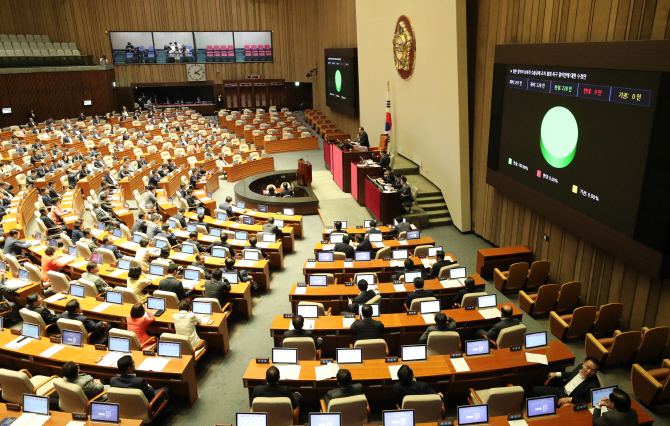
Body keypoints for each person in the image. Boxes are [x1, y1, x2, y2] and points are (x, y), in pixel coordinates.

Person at [531, 357, 602, 406]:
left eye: (593, 370)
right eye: (588, 367)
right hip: (560, 389)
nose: (589, 371)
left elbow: (587, 403)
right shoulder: (580, 367)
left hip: (566, 399)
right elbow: (571, 374)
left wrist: (571, 399)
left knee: (545, 404)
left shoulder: (594, 385)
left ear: (596, 371)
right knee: (534, 389)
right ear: (583, 364)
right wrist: (557, 374)